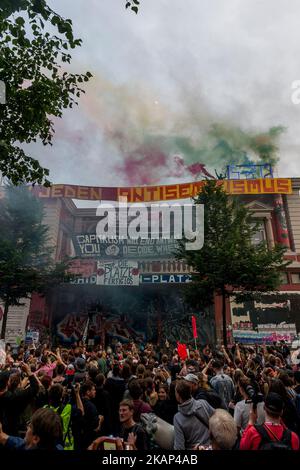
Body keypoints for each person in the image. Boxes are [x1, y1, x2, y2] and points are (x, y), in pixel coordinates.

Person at [173, 379, 214, 450]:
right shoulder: (203, 403)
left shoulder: (178, 418)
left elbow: (179, 447)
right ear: (190, 392)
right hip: (211, 447)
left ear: (178, 396)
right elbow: (218, 421)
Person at [80, 381, 103, 449]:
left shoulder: (78, 403)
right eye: (93, 390)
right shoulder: (91, 407)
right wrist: (100, 420)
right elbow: (96, 428)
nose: (95, 391)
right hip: (89, 440)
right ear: (88, 392)